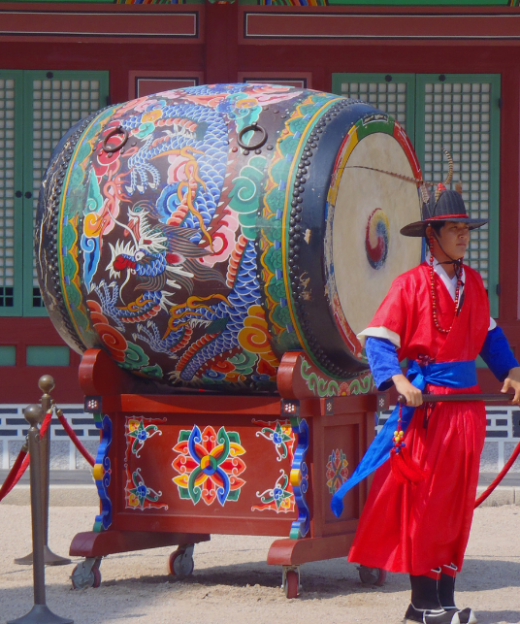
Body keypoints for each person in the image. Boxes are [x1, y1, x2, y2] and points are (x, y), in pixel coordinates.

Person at [331, 184, 520, 624]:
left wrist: (511, 371)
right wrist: (397, 378)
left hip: (467, 412)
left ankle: (443, 601)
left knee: (455, 507)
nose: (464, 236)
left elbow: (490, 337)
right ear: (432, 235)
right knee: (427, 505)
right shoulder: (410, 284)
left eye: (466, 229)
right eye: (454, 229)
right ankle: (423, 602)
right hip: (428, 411)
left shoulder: (472, 283)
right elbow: (379, 338)